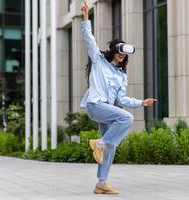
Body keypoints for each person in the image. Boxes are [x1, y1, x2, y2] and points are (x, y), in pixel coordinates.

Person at [80, 0, 157, 195]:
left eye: (125, 54)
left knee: (111, 145)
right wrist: (85, 17)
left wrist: (141, 102)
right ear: (114, 51)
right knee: (127, 118)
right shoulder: (98, 60)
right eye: (120, 52)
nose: (122, 56)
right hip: (95, 105)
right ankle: (99, 143)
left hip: (106, 111)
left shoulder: (122, 75)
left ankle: (101, 183)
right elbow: (89, 39)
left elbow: (122, 99)